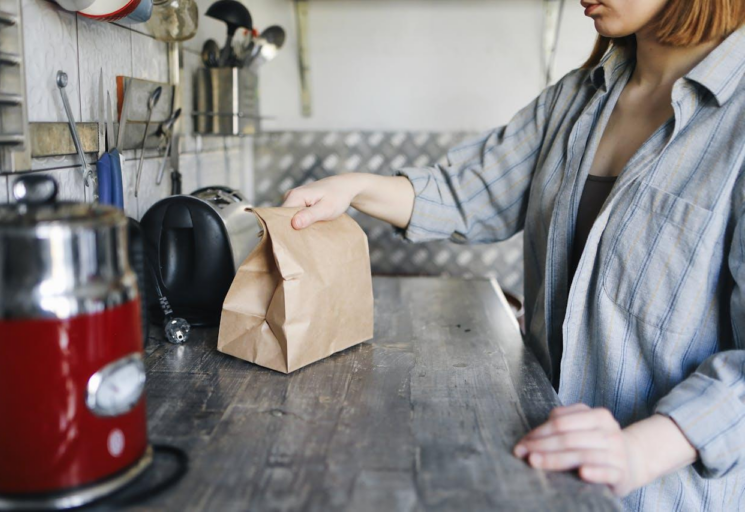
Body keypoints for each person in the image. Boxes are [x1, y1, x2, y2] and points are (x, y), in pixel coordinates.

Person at [282, 0, 745, 509]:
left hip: (657, 494)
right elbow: (470, 191)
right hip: (541, 469)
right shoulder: (579, 96)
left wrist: (638, 451)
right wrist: (354, 188)